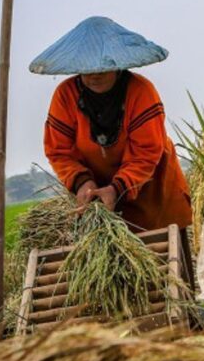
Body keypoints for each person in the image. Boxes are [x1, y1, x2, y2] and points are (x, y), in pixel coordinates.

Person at [30, 16, 192, 231]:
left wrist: (117, 188)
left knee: (166, 245)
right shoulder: (65, 96)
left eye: (102, 67)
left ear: (116, 64)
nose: (94, 75)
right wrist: (83, 183)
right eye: (88, 68)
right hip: (100, 198)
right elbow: (59, 151)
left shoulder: (141, 92)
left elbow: (146, 153)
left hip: (154, 192)